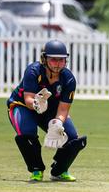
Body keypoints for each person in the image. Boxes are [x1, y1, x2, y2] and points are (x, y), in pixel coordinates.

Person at [7, 40, 87, 182]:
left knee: (72, 138)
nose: (58, 64)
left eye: (61, 60)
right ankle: (37, 170)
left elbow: (63, 109)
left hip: (50, 110)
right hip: (22, 106)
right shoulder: (33, 71)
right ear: (44, 59)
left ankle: (59, 171)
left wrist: (57, 123)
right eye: (53, 60)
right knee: (26, 134)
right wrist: (37, 104)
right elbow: (28, 99)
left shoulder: (68, 79)